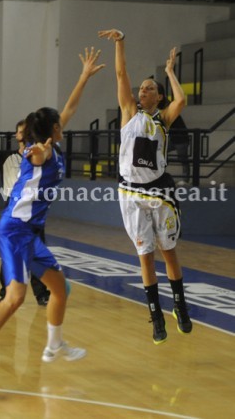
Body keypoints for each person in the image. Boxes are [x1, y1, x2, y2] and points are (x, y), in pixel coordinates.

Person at [0, 46, 105, 391]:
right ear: (51, 128)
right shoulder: (36, 151)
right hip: (15, 230)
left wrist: (83, 76)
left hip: (31, 232)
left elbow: (70, 108)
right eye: (59, 123)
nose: (64, 122)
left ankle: (54, 346)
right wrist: (36, 151)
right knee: (14, 297)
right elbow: (35, 152)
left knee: (59, 289)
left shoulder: (53, 141)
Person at [98, 29, 192, 344]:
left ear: (158, 96)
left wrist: (169, 71)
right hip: (131, 193)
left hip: (159, 191)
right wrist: (121, 42)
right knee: (146, 256)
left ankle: (180, 305)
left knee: (169, 252)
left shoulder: (163, 119)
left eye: (149, 88)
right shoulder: (128, 113)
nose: (142, 91)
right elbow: (120, 73)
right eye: (141, 88)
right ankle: (156, 316)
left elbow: (182, 99)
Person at [0, 117, 51, 306]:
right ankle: (6, 292)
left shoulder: (38, 156)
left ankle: (41, 293)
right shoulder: (6, 157)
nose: (17, 133)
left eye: (20, 130)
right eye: (17, 131)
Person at [167, 113, 190, 185]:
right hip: (174, 140)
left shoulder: (173, 114)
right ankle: (160, 171)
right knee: (160, 151)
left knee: (183, 159)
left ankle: (186, 180)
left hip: (181, 140)